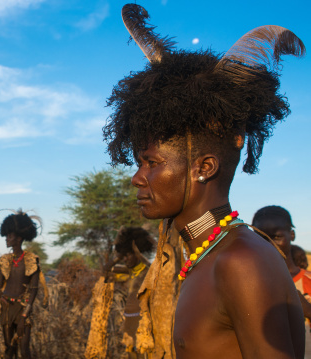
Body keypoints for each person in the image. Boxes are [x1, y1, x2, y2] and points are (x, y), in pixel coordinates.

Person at [103, 4, 306, 358]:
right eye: (139, 163)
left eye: (151, 163)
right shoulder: (205, 255)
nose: (137, 178)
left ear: (204, 167)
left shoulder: (241, 262)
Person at [0, 210, 41, 359]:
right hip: (6, 307)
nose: (6, 239)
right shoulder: (4, 260)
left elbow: (33, 291)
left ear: (19, 238)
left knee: (24, 349)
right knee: (9, 348)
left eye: (10, 236)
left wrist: (24, 316)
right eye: (6, 235)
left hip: (22, 307)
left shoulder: (32, 260)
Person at [113, 226, 155, 358]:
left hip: (142, 323)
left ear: (137, 254)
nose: (125, 259)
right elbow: (108, 268)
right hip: (129, 323)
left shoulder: (148, 272)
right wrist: (119, 255)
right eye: (123, 256)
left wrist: (138, 251)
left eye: (127, 255)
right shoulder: (131, 271)